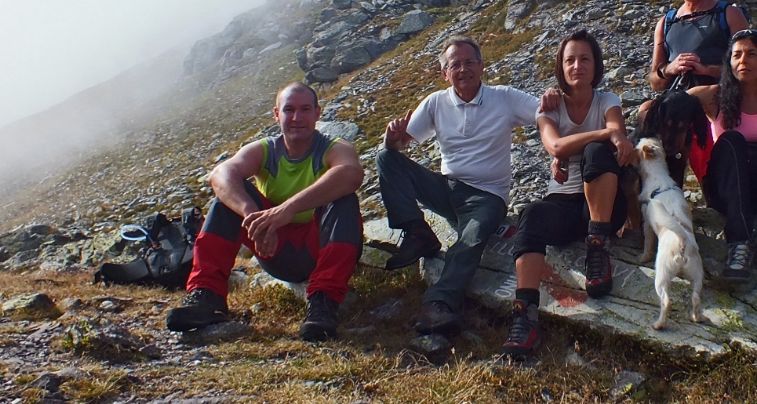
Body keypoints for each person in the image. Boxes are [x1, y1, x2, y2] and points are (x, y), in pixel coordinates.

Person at [377, 36, 554, 336]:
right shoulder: (436, 102)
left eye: (469, 62)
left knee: (469, 239)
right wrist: (392, 139)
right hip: (448, 187)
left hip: (488, 196)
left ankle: (439, 303)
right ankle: (418, 232)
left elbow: (543, 113)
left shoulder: (504, 97)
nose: (463, 69)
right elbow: (402, 142)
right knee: (385, 158)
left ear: (482, 66)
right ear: (445, 74)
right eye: (454, 64)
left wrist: (550, 100)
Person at [166, 82, 365, 341]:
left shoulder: (333, 148)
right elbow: (220, 174)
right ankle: (207, 295)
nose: (296, 118)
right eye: (289, 109)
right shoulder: (266, 150)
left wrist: (287, 209)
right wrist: (253, 218)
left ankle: (323, 303)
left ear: (318, 113)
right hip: (274, 249)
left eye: (305, 109)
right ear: (276, 114)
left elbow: (351, 173)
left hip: (320, 250)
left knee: (343, 200)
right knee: (228, 199)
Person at [502, 30, 635, 358]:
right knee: (530, 215)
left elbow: (618, 139)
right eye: (570, 59)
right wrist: (605, 133)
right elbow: (556, 145)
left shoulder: (608, 100)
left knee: (595, 152)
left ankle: (597, 247)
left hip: (604, 206)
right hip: (562, 203)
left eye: (585, 58)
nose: (578, 65)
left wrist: (604, 138)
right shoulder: (549, 108)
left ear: (596, 64)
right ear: (561, 67)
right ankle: (525, 315)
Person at [687, 30, 757, 281]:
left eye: (751, 54)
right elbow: (679, 100)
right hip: (727, 188)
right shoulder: (716, 97)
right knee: (732, 139)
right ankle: (740, 242)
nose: (743, 61)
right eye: (736, 55)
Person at [648, 0, 750, 94]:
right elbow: (655, 83)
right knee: (645, 110)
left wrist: (706, 70)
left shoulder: (729, 14)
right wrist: (671, 68)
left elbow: (750, 68)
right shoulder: (666, 23)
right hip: (678, 105)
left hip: (722, 100)